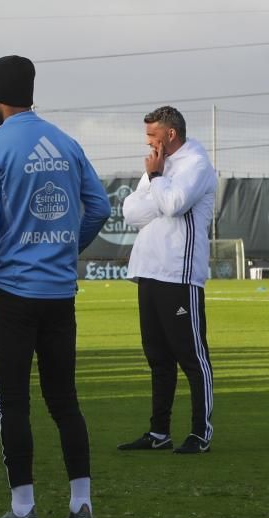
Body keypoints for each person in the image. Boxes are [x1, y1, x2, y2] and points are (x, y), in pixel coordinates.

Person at [0, 56, 110, 518]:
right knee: (65, 400)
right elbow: (100, 207)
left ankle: (23, 511)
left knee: (13, 402)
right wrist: (66, 249)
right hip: (60, 293)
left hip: (14, 293)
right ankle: (81, 505)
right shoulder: (65, 142)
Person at [117, 106, 216, 455]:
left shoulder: (196, 164)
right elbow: (131, 211)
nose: (148, 143)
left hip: (179, 274)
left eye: (152, 136)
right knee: (158, 358)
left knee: (192, 356)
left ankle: (200, 433)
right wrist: (158, 190)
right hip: (149, 271)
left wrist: (157, 182)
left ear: (170, 134)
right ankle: (159, 433)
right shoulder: (160, 165)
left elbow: (172, 204)